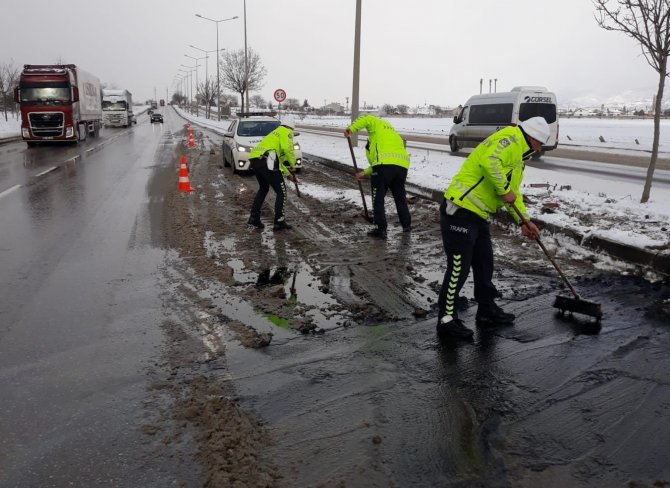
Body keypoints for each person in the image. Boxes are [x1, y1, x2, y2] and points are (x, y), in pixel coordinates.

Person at [436, 117, 549, 341]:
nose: (539, 149)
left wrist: (524, 221)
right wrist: (504, 189)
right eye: (539, 144)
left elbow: (512, 194)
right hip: (460, 209)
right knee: (459, 267)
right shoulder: (510, 140)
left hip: (479, 214)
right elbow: (490, 162)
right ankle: (446, 319)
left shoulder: (518, 157)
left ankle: (486, 310)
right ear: (532, 138)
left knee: (484, 263)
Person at [343, 113, 411, 238]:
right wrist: (364, 173)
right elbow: (377, 163)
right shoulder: (390, 132)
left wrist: (350, 129)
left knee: (377, 198)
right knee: (400, 198)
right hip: (402, 166)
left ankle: (381, 229)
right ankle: (406, 226)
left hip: (384, 167)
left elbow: (366, 118)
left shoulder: (374, 122)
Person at [247, 117, 298, 231]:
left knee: (263, 189)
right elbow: (288, 149)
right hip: (267, 161)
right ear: (291, 127)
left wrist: (288, 174)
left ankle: (254, 218)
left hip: (256, 160)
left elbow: (276, 161)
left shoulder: (275, 133)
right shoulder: (287, 132)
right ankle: (279, 221)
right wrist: (293, 165)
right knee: (282, 192)